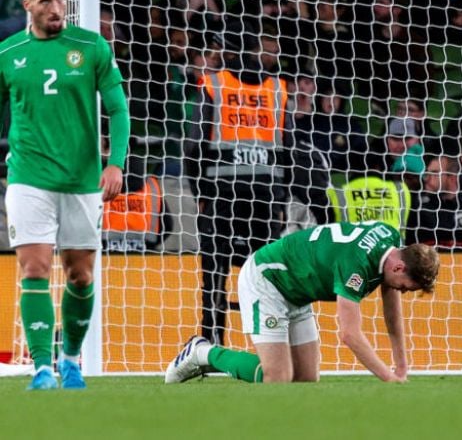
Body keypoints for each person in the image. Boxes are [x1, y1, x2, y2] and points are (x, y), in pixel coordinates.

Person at [0, 0, 129, 390]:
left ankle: (70, 358)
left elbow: (118, 109)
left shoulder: (90, 47)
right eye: (47, 2)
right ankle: (41, 369)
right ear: (28, 6)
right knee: (33, 267)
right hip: (28, 177)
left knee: (80, 275)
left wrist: (116, 162)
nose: (57, 9)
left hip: (81, 181)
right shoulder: (8, 54)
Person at [164, 220, 439, 384]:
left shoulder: (391, 239)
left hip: (298, 288)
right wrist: (388, 378)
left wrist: (401, 364)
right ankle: (202, 352)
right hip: (268, 279)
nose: (402, 293)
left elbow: (391, 309)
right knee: (278, 377)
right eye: (406, 288)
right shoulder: (356, 266)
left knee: (306, 378)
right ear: (399, 268)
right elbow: (349, 334)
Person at [184, 25, 289, 346]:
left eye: (217, 49)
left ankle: (214, 343)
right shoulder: (277, 89)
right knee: (266, 275)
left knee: (215, 275)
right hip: (267, 197)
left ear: (228, 52)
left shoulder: (214, 86)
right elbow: (292, 149)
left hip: (221, 195)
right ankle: (271, 342)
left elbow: (193, 144)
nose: (214, 56)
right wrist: (283, 198)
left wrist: (199, 193)